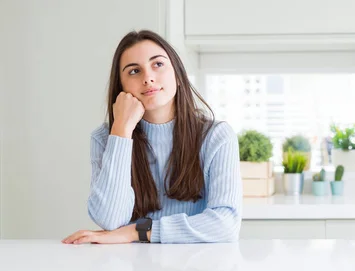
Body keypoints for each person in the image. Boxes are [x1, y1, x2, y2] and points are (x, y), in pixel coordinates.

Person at [62, 30, 243, 244]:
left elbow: (225, 225)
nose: (147, 78)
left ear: (177, 73)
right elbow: (110, 220)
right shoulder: (105, 138)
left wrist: (136, 231)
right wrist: (121, 130)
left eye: (157, 64)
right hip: (132, 267)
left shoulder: (216, 136)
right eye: (134, 71)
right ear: (121, 87)